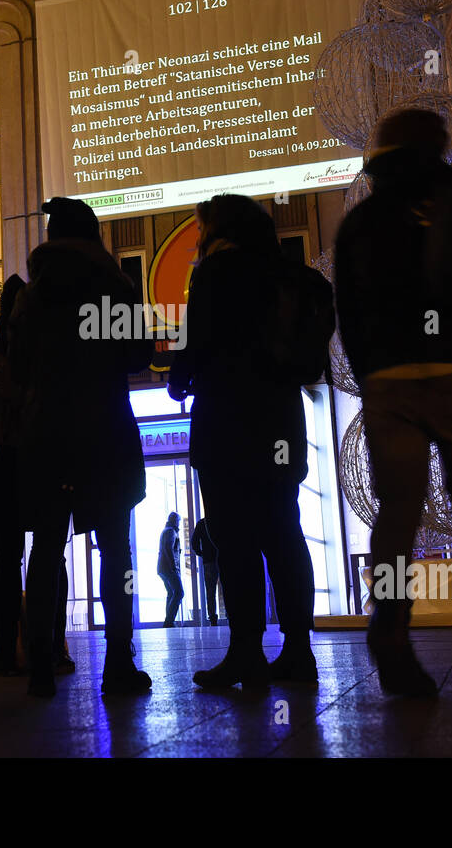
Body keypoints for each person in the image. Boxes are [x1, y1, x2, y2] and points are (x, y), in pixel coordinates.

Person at [334, 109, 452, 697]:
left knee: (398, 510)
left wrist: (373, 374)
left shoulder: (362, 221)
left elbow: (349, 312)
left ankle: (390, 630)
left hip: (390, 378)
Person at [169, 194, 317, 689]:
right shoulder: (290, 273)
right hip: (279, 418)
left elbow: (193, 344)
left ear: (218, 229)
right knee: (284, 532)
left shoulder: (216, 272)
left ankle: (247, 653)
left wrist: (178, 378)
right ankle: (298, 651)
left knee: (234, 540)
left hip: (227, 420)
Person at [10, 197, 153, 698]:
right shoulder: (115, 288)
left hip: (47, 432)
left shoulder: (32, 295)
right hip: (104, 429)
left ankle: (41, 667)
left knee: (46, 547)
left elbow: (18, 366)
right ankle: (118, 662)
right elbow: (139, 355)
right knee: (115, 547)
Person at [0, 274, 74, 676]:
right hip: (43, 464)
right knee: (50, 556)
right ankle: (50, 649)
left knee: (8, 558)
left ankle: (4, 655)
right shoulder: (51, 354)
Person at [190, 517, 222, 626]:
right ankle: (231, 616)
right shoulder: (222, 520)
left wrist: (202, 554)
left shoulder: (202, 523)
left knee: (210, 591)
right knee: (227, 589)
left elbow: (194, 543)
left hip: (208, 560)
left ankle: (213, 618)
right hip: (224, 559)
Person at [157, 513, 185, 627]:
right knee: (179, 593)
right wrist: (174, 567)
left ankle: (168, 621)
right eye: (178, 521)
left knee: (171, 593)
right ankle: (169, 621)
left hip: (162, 568)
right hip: (169, 568)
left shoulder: (166, 530)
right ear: (176, 521)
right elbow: (168, 549)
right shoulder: (171, 531)